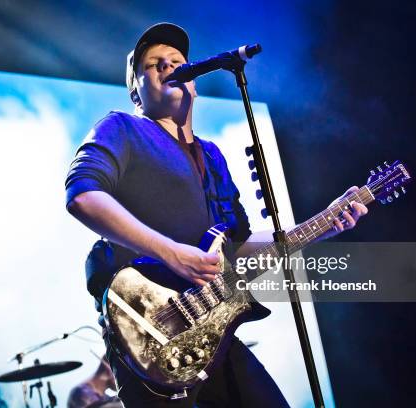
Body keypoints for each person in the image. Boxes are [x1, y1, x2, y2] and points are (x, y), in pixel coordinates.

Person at [65, 22, 367, 408]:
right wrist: (171, 252)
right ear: (135, 91)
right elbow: (83, 196)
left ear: (193, 81)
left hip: (214, 329)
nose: (168, 66)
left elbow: (238, 251)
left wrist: (321, 226)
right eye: (154, 64)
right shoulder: (122, 128)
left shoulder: (212, 156)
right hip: (153, 331)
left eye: (177, 61)